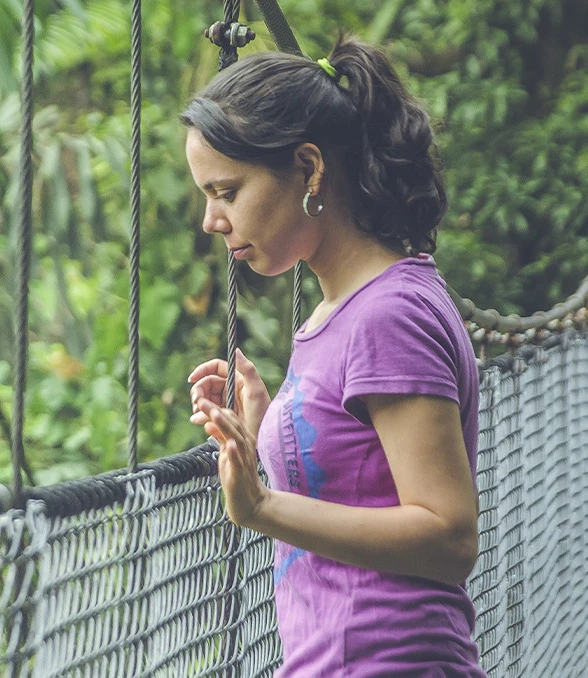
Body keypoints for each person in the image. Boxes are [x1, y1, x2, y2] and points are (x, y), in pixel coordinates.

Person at [182, 35, 487, 676]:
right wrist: (270, 431)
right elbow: (361, 485)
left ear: (309, 168)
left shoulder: (387, 315)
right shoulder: (343, 310)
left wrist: (261, 509)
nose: (210, 220)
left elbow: (449, 536)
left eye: (227, 192)